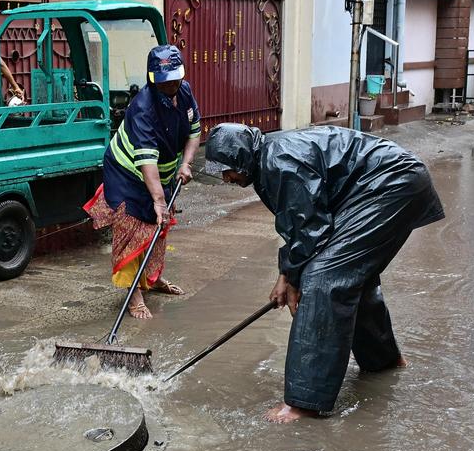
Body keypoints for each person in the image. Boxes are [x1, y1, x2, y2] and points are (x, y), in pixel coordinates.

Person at [203, 123, 444, 423]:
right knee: (351, 273)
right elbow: (296, 224)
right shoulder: (269, 157)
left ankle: (305, 400)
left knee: (324, 278)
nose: (226, 177)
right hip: (388, 184)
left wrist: (296, 278)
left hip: (391, 185)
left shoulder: (279, 161)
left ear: (240, 157)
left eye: (227, 169)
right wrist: (286, 275)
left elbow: (311, 230)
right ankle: (382, 361)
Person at [83, 44, 200, 319]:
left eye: (175, 78)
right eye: (165, 80)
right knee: (133, 229)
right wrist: (158, 200)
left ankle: (152, 278)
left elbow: (194, 132)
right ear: (152, 79)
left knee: (158, 228)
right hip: (128, 174)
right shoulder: (142, 107)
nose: (172, 85)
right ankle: (134, 293)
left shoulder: (184, 92)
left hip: (164, 171)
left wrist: (186, 163)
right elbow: (146, 160)